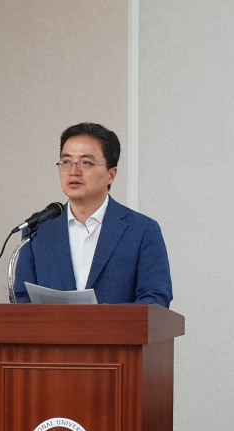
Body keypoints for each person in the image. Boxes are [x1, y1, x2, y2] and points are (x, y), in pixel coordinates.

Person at [12, 122, 173, 307]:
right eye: (66, 162)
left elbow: (156, 299)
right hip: (51, 328)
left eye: (86, 163)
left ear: (111, 175)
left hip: (115, 327)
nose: (73, 171)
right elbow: (21, 296)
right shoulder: (39, 228)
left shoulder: (142, 230)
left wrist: (101, 318)